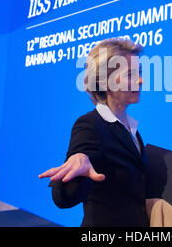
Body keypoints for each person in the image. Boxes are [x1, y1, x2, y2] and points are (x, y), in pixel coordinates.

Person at [39, 38, 149, 227]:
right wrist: (79, 160)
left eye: (139, 73)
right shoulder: (90, 125)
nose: (140, 80)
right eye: (130, 74)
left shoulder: (130, 127)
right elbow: (64, 196)